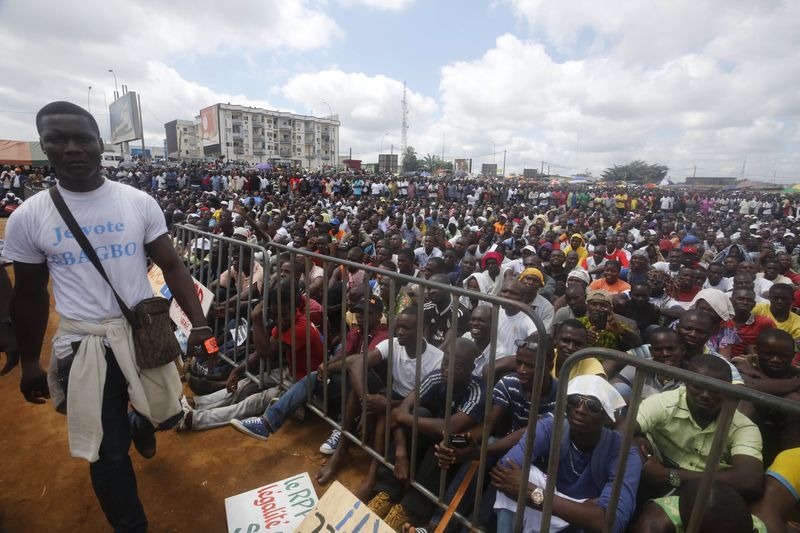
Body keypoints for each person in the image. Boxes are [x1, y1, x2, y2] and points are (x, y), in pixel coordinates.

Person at [3, 101, 211, 531]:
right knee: (106, 450)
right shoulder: (28, 218)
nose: (73, 148)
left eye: (83, 138)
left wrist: (200, 322)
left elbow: (172, 266)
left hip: (142, 333)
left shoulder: (137, 202)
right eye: (58, 139)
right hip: (85, 346)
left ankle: (140, 421)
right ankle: (131, 525)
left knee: (169, 414)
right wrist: (28, 361)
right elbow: (28, 297)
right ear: (44, 146)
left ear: (101, 144)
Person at [490, 375, 640, 533]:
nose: (581, 410)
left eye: (593, 405)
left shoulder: (625, 454)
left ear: (608, 417)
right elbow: (503, 472)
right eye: (574, 400)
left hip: (577, 523)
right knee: (517, 477)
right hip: (571, 510)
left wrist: (533, 493)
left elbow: (609, 522)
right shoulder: (550, 428)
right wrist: (582, 509)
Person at [634, 354, 763, 501]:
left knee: (655, 521)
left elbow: (749, 481)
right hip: (659, 468)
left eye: (715, 389)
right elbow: (625, 429)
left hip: (707, 491)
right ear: (686, 382)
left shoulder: (742, 427)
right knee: (634, 445)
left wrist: (670, 475)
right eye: (698, 386)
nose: (705, 395)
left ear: (729, 390)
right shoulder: (665, 402)